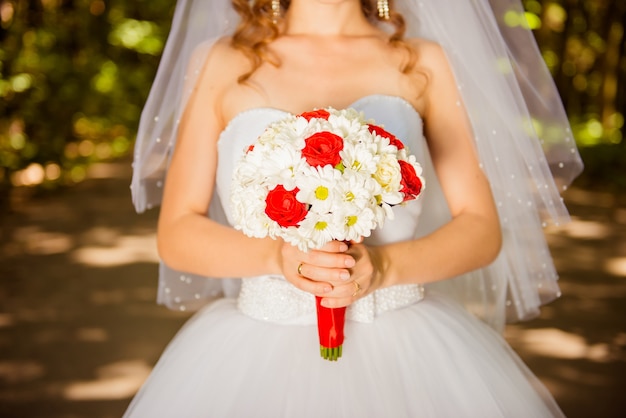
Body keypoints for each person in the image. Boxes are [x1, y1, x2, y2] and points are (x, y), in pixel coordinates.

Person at [125, 0, 583, 416]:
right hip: (257, 346)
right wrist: (275, 257)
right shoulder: (221, 61)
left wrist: (382, 267)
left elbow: (481, 228)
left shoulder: (423, 61)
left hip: (405, 349)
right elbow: (178, 231)